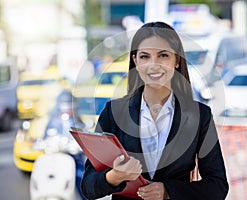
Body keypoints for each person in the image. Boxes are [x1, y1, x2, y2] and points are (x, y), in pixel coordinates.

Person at [80, 21, 229, 200]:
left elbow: (218, 186)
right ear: (135, 61)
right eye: (144, 57)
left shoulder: (199, 116)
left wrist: (168, 191)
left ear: (176, 60)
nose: (153, 65)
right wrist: (114, 176)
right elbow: (88, 187)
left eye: (163, 55)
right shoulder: (114, 112)